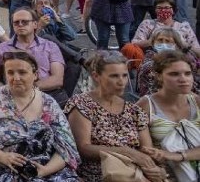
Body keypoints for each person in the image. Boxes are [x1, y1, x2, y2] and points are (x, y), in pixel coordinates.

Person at [0, 51, 81, 182]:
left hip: (46, 167)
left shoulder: (49, 103)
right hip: (4, 168)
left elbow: (66, 146)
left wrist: (46, 170)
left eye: (22, 72)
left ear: (35, 75)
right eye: (10, 73)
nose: (16, 78)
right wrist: (2, 157)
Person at [65, 51, 167, 182]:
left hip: (134, 171)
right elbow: (84, 148)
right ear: (96, 76)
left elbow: (147, 149)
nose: (121, 81)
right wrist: (127, 152)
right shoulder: (81, 104)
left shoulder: (134, 110)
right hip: (101, 173)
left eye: (124, 76)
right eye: (114, 76)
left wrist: (156, 168)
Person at [138, 51, 200, 182]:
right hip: (164, 174)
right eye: (174, 74)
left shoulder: (197, 102)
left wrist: (178, 156)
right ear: (159, 76)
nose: (183, 79)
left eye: (188, 73)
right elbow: (147, 152)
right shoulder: (146, 105)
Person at [0, 8, 68, 105]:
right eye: (16, 23)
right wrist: (8, 91)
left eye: (25, 22)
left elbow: (57, 79)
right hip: (13, 95)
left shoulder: (50, 46)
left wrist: (29, 88)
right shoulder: (1, 49)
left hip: (46, 92)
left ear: (35, 24)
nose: (20, 25)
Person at [135, 28, 200, 96]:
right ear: (153, 43)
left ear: (176, 45)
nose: (164, 44)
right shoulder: (150, 65)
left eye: (168, 41)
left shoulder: (182, 62)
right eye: (160, 40)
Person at [131, 0, 200, 52]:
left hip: (180, 60)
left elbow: (197, 50)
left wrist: (183, 45)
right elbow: (134, 44)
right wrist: (151, 41)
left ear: (173, 10)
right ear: (155, 10)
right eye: (159, 8)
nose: (163, 10)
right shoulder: (147, 24)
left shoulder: (184, 27)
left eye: (167, 8)